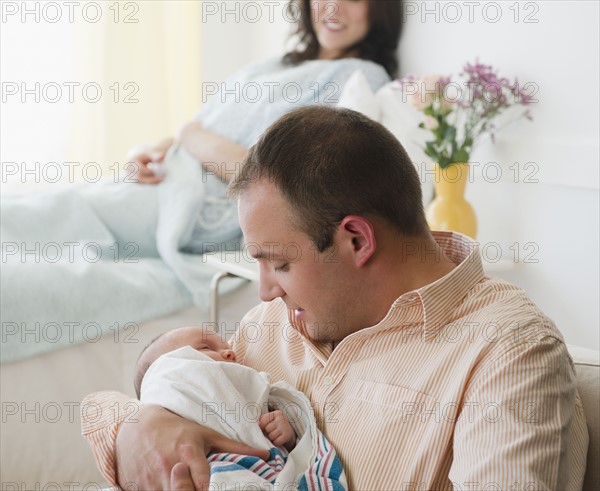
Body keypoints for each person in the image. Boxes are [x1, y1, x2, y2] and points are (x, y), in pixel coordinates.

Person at [82, 106, 588, 490]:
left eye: (280, 263)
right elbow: (108, 409)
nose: (264, 291)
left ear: (356, 241)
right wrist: (142, 427)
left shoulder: (507, 351)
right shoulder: (271, 325)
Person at [134, 326, 296, 451]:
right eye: (205, 348)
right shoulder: (170, 420)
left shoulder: (257, 396)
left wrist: (288, 438)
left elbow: (298, 458)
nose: (230, 352)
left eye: (226, 346)